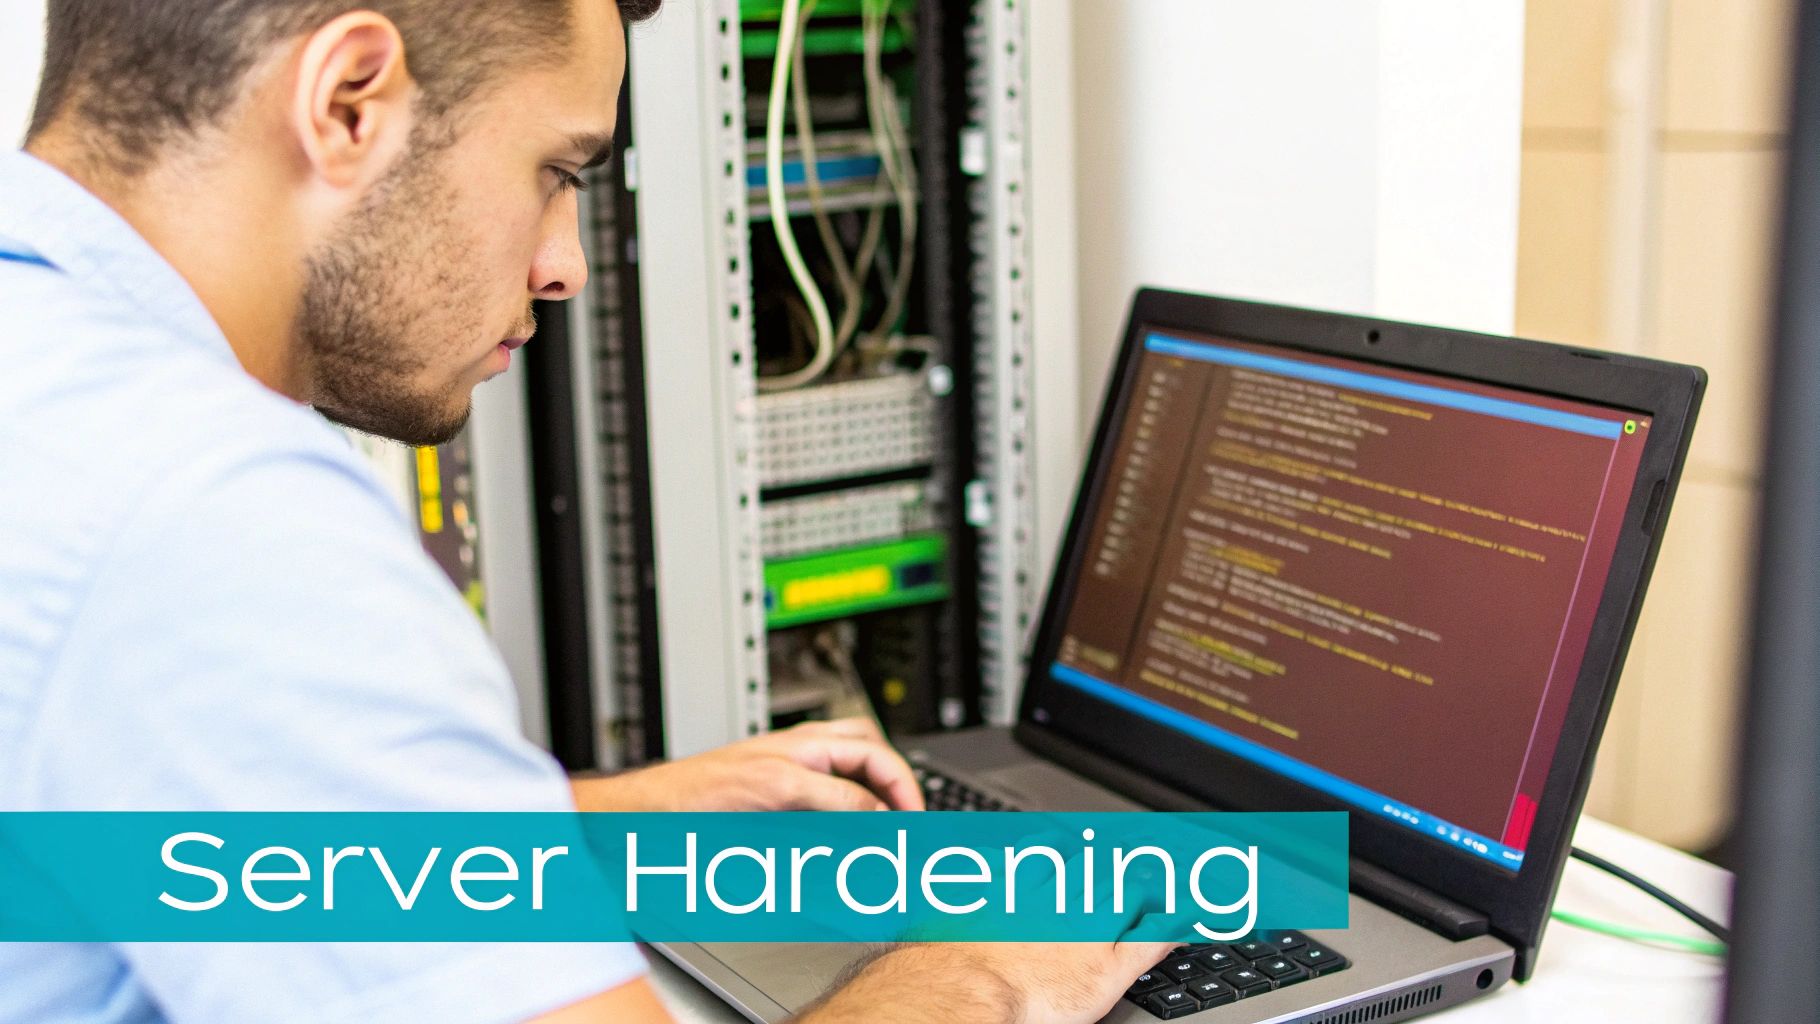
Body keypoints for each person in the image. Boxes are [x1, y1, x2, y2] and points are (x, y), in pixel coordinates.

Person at [0, 1, 1171, 1021]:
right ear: (350, 102)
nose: (565, 265)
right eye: (555, 172)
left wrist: (563, 826)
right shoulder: (213, 520)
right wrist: (982, 974)